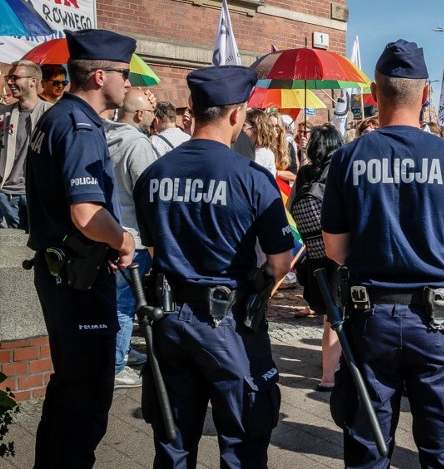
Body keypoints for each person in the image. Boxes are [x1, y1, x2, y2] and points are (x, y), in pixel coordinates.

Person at [321, 39, 444, 468]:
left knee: (368, 449)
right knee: (442, 451)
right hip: (438, 323)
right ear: (426, 95)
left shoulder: (347, 157)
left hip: (369, 319)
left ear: (374, 95)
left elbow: (335, 249)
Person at [133, 65, 293, 467]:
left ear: (192, 108)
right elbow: (280, 262)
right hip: (230, 325)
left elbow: (152, 248)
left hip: (168, 319)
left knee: (172, 440)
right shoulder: (252, 178)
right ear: (236, 114)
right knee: (243, 439)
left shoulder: (154, 174)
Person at [26, 28, 138, 468]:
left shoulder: (57, 117)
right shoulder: (80, 126)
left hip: (65, 274)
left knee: (69, 390)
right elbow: (88, 214)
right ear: (98, 76)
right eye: (124, 74)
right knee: (86, 399)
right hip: (78, 280)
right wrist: (124, 239)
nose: (128, 83)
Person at [105, 87, 159, 389]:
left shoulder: (104, 134)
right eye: (149, 114)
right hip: (134, 237)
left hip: (111, 230)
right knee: (123, 305)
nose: (151, 119)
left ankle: (122, 350)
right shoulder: (137, 143)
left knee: (116, 301)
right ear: (139, 114)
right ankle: (115, 366)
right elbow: (150, 189)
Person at [289, 124, 344, 391]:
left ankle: (328, 374)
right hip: (342, 254)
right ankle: (331, 376)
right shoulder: (342, 171)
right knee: (342, 317)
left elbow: (292, 207)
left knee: (329, 317)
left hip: (315, 255)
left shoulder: (304, 172)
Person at [1, 60, 52, 230]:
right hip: (5, 194)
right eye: (9, 77)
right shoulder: (4, 114)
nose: (9, 82)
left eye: (15, 78)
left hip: (37, 195)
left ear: (33, 81)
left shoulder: (52, 114)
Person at [243, 108, 277, 176]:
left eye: (244, 125)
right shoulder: (249, 148)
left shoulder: (263, 154)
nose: (241, 129)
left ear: (255, 128)